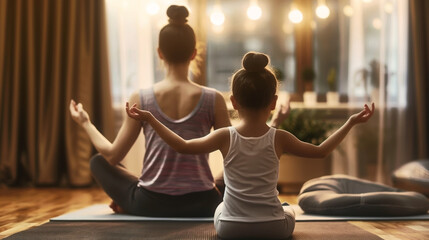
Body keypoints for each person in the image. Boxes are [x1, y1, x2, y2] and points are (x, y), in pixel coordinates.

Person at [126, 52, 375, 239]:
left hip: (230, 228)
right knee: (288, 211)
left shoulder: (225, 136)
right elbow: (321, 151)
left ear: (233, 102)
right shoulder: (280, 137)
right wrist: (351, 122)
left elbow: (181, 145)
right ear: (273, 102)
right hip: (275, 229)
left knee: (221, 207)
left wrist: (150, 118)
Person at [69, 5, 233, 217]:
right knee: (233, 170)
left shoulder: (142, 98)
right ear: (194, 53)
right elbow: (234, 156)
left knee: (97, 162)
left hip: (150, 204)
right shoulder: (214, 99)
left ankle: (127, 203)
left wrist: (85, 123)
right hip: (204, 203)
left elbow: (111, 156)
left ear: (159, 53)